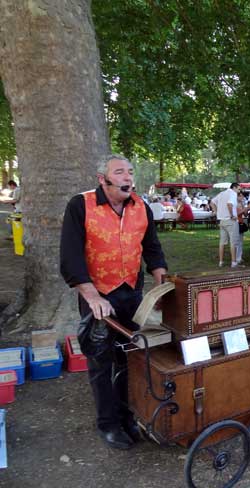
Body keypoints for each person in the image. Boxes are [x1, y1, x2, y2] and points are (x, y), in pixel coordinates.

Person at [60, 154, 167, 450]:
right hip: (98, 296)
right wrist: (92, 296)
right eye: (119, 172)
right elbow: (70, 256)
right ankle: (108, 423)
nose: (127, 178)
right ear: (102, 179)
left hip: (131, 292)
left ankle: (127, 415)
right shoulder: (80, 205)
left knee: (130, 357)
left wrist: (161, 285)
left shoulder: (141, 206)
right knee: (101, 362)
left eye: (130, 172)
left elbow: (153, 248)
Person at [214, 183, 240, 267]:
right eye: (239, 189)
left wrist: (216, 212)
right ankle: (234, 262)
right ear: (234, 187)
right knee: (233, 242)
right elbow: (229, 204)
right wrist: (232, 215)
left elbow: (212, 202)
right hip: (230, 221)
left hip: (222, 221)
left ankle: (221, 262)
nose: (239, 191)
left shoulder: (221, 193)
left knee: (222, 242)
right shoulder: (233, 193)